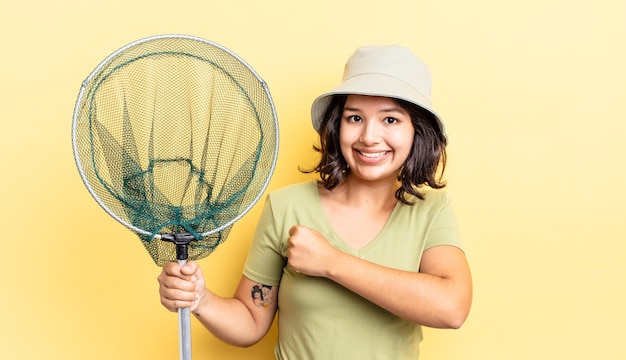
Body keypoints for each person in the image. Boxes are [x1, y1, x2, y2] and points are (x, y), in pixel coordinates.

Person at [158, 44, 473, 359]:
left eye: (390, 120)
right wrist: (200, 300)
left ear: (417, 131)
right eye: (355, 118)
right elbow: (251, 320)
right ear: (337, 127)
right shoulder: (287, 207)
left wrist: (332, 263)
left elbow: (452, 308)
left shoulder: (432, 211)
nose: (369, 136)